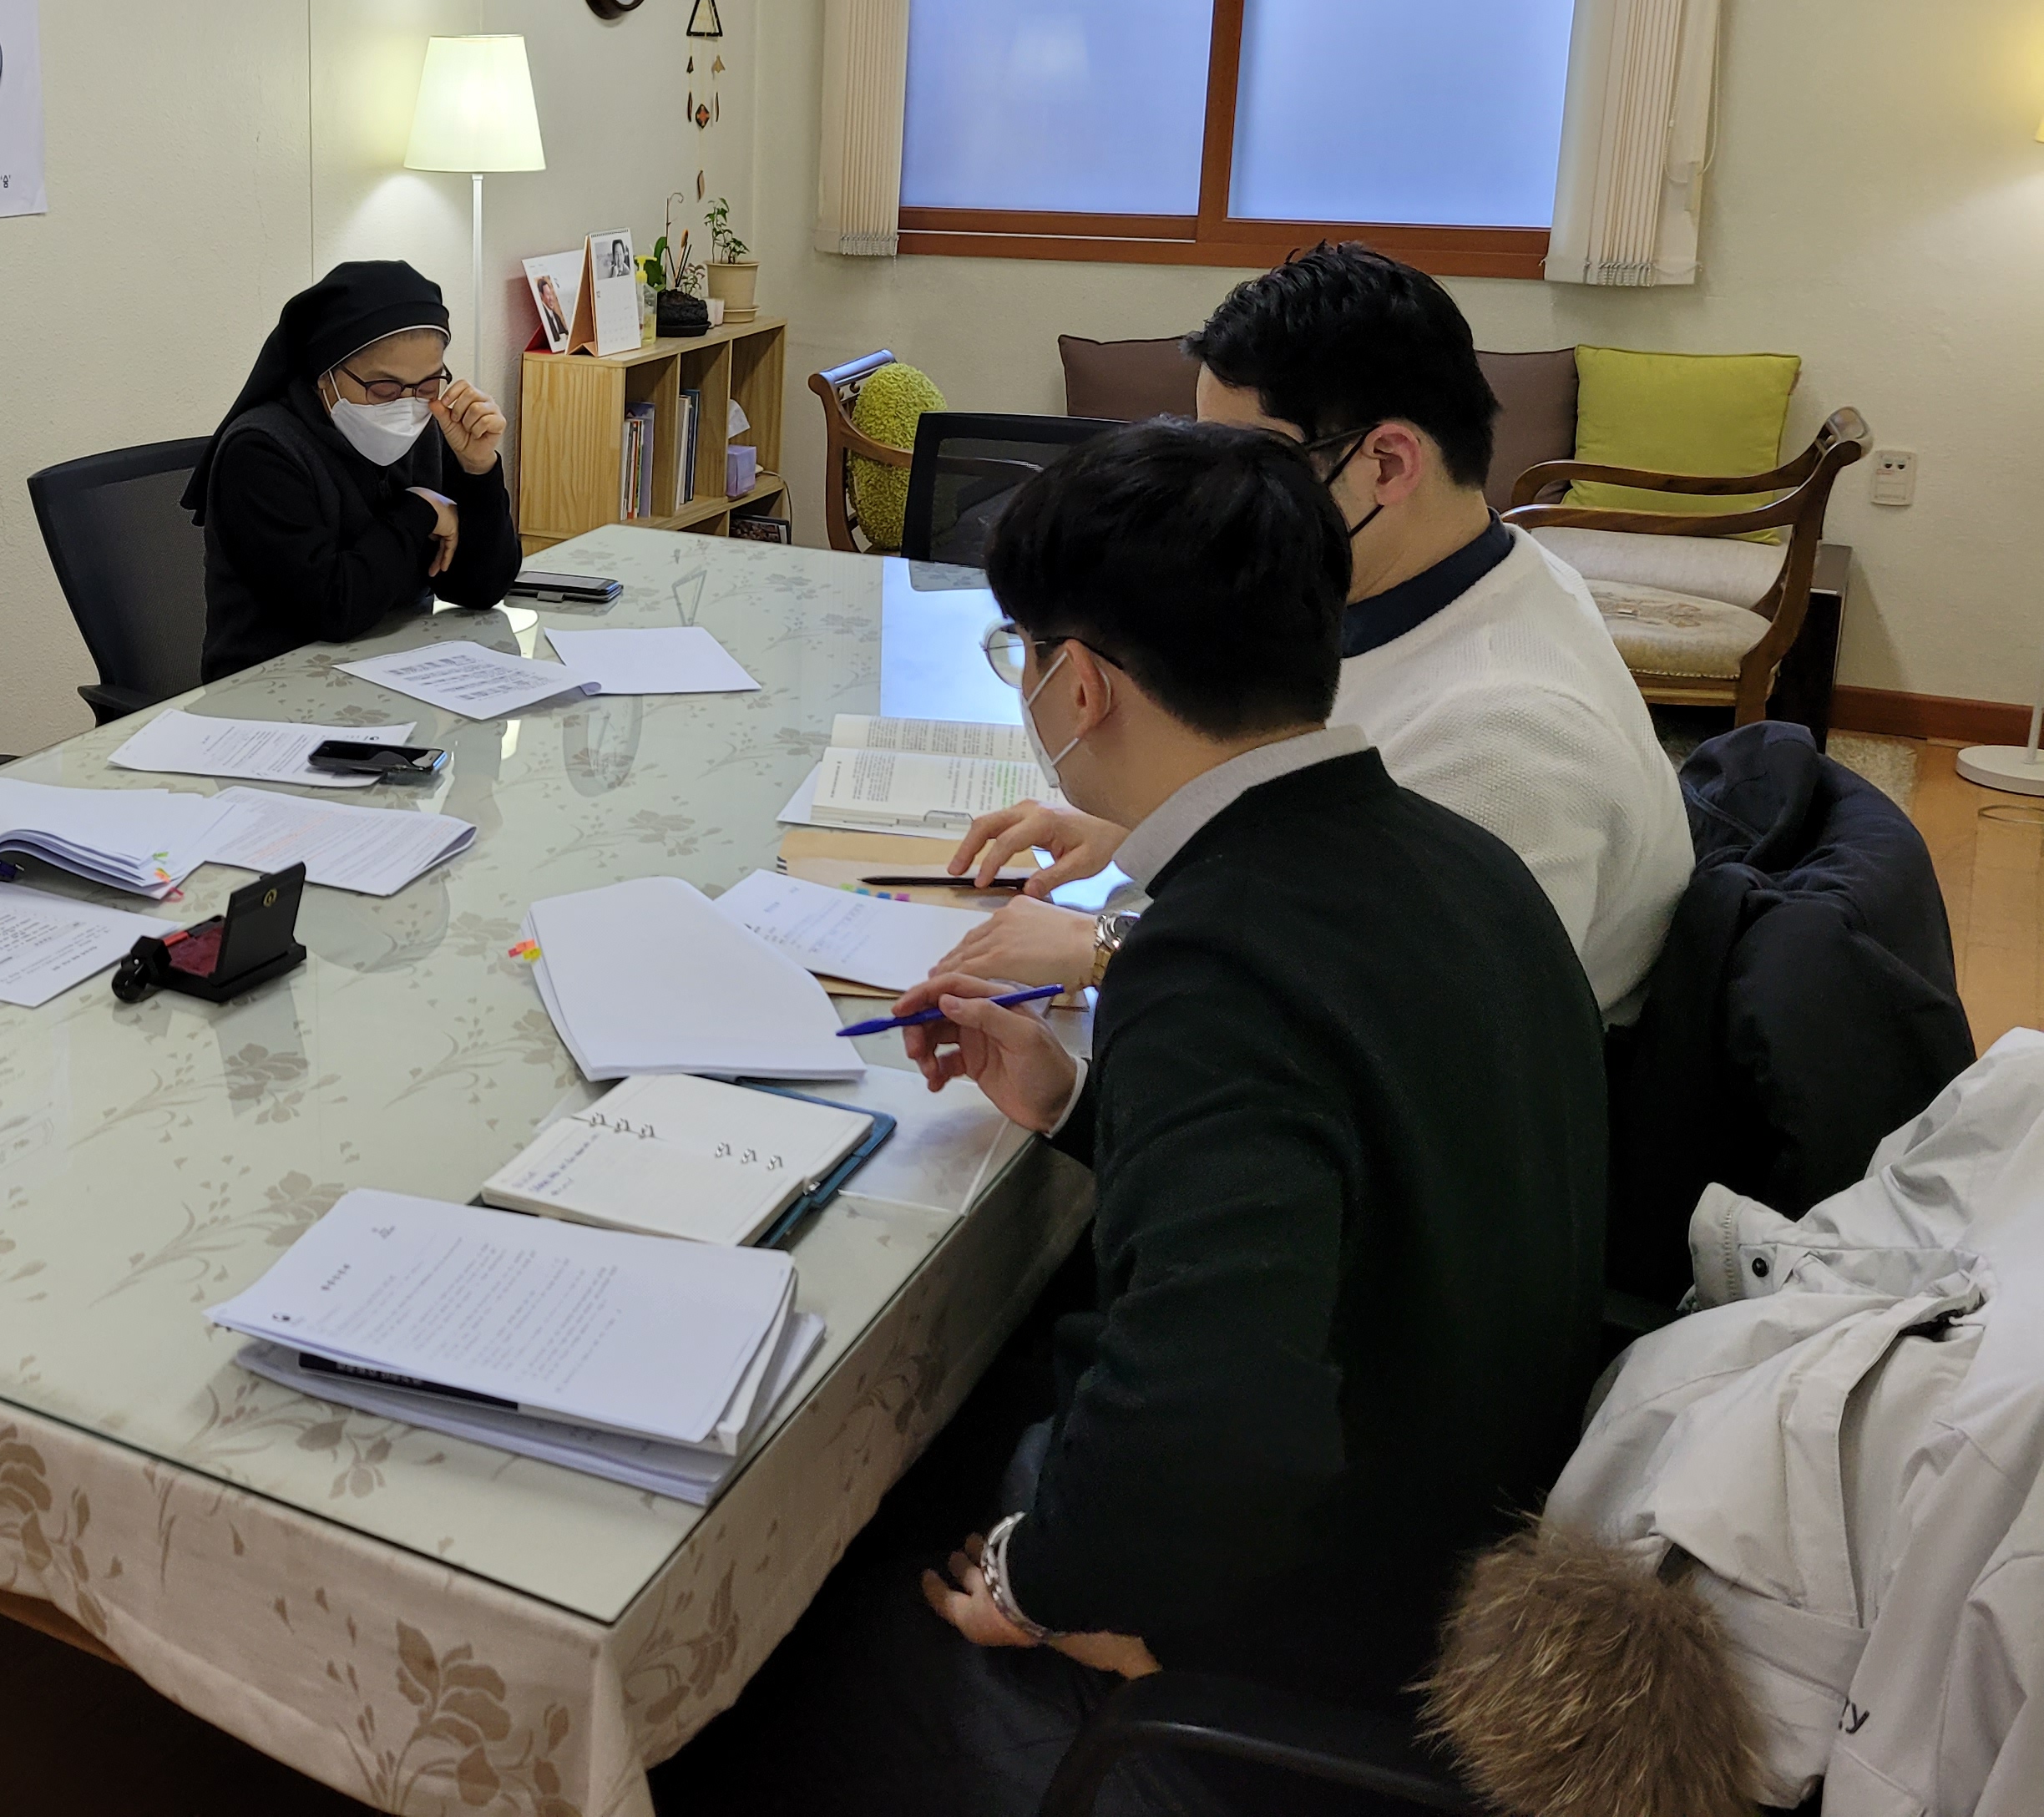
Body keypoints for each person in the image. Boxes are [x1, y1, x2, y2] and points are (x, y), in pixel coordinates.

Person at [655, 422, 1608, 1817]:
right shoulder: (1457, 854)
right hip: (1479, 1483)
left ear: (1081, 685)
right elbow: (1356, 1165)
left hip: (1341, 1628)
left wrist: (1042, 1586)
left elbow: (1209, 1419)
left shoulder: (1214, 959)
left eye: (1022, 655)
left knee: (825, 1608)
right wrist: (1077, 1102)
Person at [936, 242, 1690, 1021]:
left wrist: (1112, 946)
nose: (1218, 498)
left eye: (1256, 462)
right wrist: (1147, 819)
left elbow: (1401, 1020)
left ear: (1387, 465)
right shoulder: (1470, 574)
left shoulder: (1503, 744)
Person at [188, 261, 516, 680]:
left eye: (428, 385)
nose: (407, 405)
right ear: (326, 375)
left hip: (397, 672)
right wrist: (421, 510)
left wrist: (478, 468)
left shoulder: (427, 427)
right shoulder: (260, 452)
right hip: (271, 687)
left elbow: (480, 588)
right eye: (384, 389)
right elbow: (333, 608)